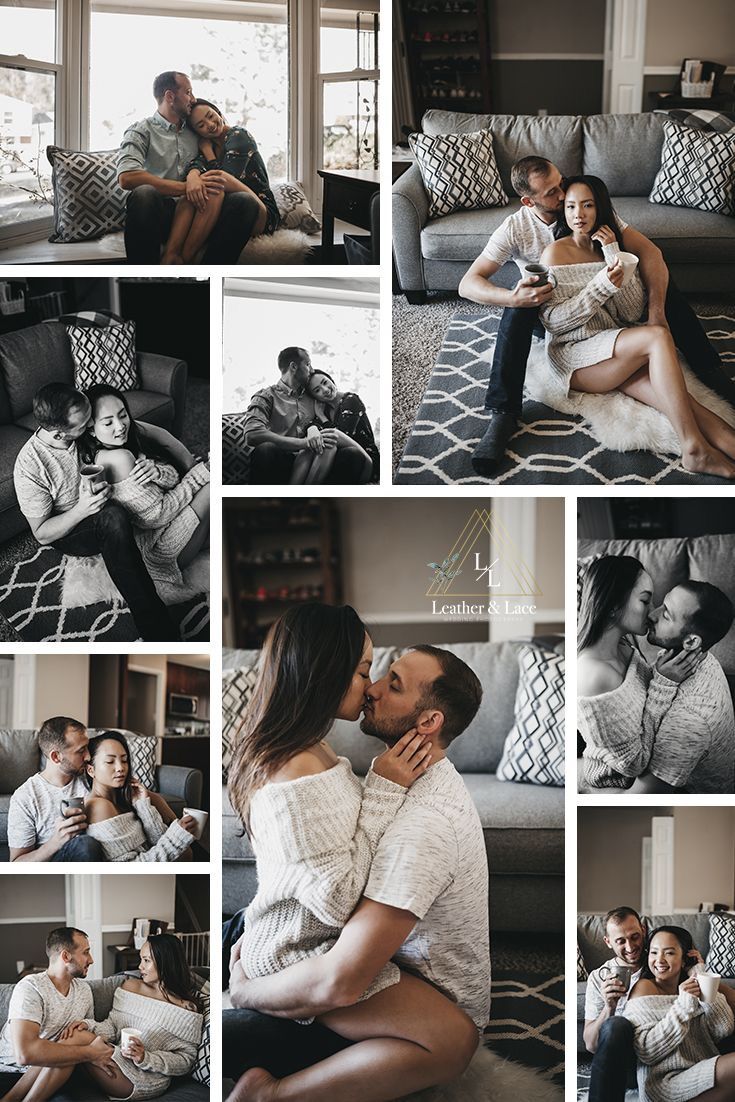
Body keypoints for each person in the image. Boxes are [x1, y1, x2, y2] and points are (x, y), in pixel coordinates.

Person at [225, 632, 489, 1102]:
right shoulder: (402, 777)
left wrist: (246, 992)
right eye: (375, 673)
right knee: (236, 932)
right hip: (337, 955)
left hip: (410, 996)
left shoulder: (423, 826)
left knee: (455, 1045)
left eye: (393, 683)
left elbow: (341, 978)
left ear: (428, 721)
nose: (373, 689)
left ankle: (268, 1094)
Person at [458, 156, 735, 476]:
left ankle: (710, 376)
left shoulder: (583, 206)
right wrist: (513, 296)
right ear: (528, 200)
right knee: (516, 310)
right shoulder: (518, 228)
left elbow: (649, 256)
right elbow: (469, 283)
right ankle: (503, 414)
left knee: (662, 291)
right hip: (550, 311)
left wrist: (652, 306)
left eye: (561, 184)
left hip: (606, 321)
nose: (563, 197)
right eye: (551, 193)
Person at [539, 176, 735, 480]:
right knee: (657, 336)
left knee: (681, 400)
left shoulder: (607, 246)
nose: (578, 214)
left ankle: (726, 442)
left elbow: (629, 311)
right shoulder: (554, 254)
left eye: (587, 205)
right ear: (563, 210)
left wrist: (612, 253)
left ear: (600, 209)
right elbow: (555, 322)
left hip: (611, 348)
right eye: (571, 206)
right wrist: (601, 285)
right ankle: (693, 447)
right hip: (574, 358)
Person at [13, 383, 179, 641]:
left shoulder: (78, 424)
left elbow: (131, 426)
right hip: (70, 527)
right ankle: (158, 630)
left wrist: (164, 440)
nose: (91, 424)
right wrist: (81, 510)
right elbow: (42, 534)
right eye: (84, 425)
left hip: (102, 502)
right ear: (59, 434)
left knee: (117, 512)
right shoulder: (30, 468)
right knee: (112, 517)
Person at [577, 556, 703, 790]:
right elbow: (633, 763)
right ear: (613, 606)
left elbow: (640, 702)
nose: (653, 611)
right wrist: (664, 684)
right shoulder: (594, 676)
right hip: (615, 784)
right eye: (645, 600)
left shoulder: (624, 646)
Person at [118, 71, 261, 264]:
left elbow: (218, 167)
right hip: (160, 215)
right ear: (170, 96)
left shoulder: (197, 130)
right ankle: (147, 279)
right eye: (188, 92)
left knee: (244, 201)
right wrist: (185, 187)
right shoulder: (141, 130)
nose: (193, 99)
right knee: (144, 193)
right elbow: (127, 178)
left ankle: (207, 275)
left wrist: (197, 176)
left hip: (201, 213)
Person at [82, 384, 210, 585]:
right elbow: (157, 516)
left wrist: (158, 472)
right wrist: (201, 474)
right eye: (108, 423)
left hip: (164, 529)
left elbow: (173, 480)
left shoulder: (122, 444)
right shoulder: (119, 458)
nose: (120, 426)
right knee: (212, 487)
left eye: (123, 415)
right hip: (160, 550)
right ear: (91, 429)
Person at [60, 934, 204, 1101]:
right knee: (75, 1035)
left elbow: (186, 1060)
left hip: (143, 1078)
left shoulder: (185, 1009)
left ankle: (22, 1093)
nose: (140, 966)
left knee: (71, 1044)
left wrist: (145, 1057)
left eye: (146, 960)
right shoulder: (130, 987)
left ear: (166, 961)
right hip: (116, 1056)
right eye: (141, 959)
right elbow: (113, 1027)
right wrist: (88, 1025)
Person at [0, 927, 116, 1102]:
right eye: (86, 953)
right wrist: (91, 1053)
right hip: (13, 1072)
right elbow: (25, 1054)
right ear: (65, 956)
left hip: (59, 1069)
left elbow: (85, 1035)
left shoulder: (84, 991)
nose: (91, 960)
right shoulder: (31, 988)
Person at [624, 925, 735, 1101]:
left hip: (701, 1069)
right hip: (665, 1083)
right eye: (654, 952)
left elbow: (723, 1028)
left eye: (669, 953)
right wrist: (683, 1005)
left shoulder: (692, 985)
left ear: (684, 959)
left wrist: (699, 974)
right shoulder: (644, 987)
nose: (659, 960)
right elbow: (647, 1051)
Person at [161, 98, 279, 265]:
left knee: (215, 185)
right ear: (197, 132)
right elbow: (195, 166)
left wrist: (208, 153)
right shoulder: (206, 146)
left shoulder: (239, 136)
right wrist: (193, 176)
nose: (209, 124)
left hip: (260, 209)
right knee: (191, 193)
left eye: (210, 115)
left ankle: (186, 260)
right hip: (226, 209)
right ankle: (171, 256)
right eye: (201, 125)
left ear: (218, 112)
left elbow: (224, 177)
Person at [243, 348, 369, 485]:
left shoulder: (315, 396)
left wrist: (314, 427)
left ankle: (317, 501)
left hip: (316, 462)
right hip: (282, 462)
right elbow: (252, 434)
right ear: (293, 367)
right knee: (265, 449)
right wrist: (304, 443)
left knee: (352, 455)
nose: (312, 370)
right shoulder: (266, 396)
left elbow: (333, 419)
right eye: (308, 364)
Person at [82, 731, 196, 862]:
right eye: (110, 761)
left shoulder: (128, 798)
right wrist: (177, 838)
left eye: (124, 760)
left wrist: (143, 806)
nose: (120, 768)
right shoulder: (99, 806)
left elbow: (166, 847)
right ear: (91, 770)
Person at [7, 717, 105, 863]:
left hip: (105, 847)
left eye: (87, 747)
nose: (88, 756)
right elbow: (16, 864)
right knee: (86, 845)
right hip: (58, 860)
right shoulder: (25, 797)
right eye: (81, 751)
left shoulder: (90, 775)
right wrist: (55, 842)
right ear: (56, 756)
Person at [290, 369, 378, 484]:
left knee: (329, 438)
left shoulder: (351, 400)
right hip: (338, 461)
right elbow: (312, 428)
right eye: (317, 390)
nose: (325, 390)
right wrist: (312, 429)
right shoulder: (323, 409)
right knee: (309, 446)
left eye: (325, 382)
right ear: (314, 397)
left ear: (331, 379)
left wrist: (322, 417)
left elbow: (343, 434)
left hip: (364, 460)